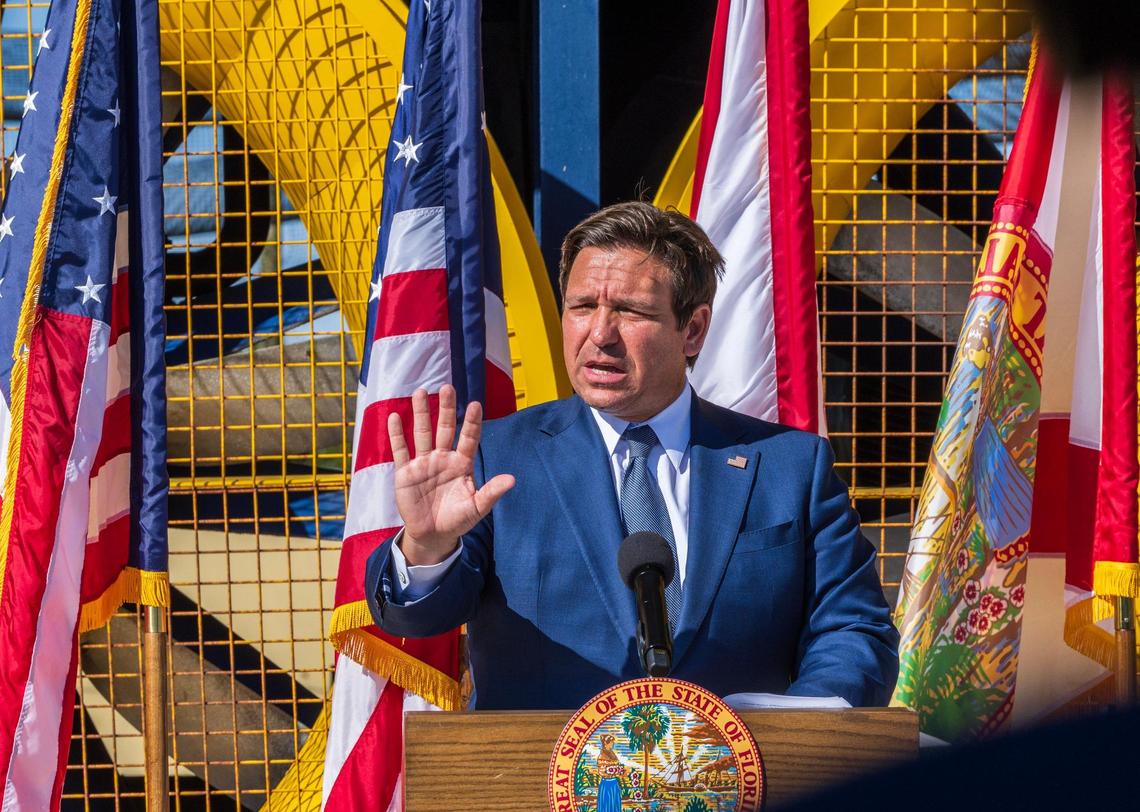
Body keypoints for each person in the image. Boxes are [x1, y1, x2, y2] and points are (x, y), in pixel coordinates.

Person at [365, 201, 899, 710]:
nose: (599, 334)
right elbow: (418, 618)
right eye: (581, 307)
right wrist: (426, 548)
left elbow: (853, 631)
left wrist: (792, 735)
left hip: (741, 786)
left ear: (692, 330)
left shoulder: (788, 467)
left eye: (629, 310)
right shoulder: (494, 458)